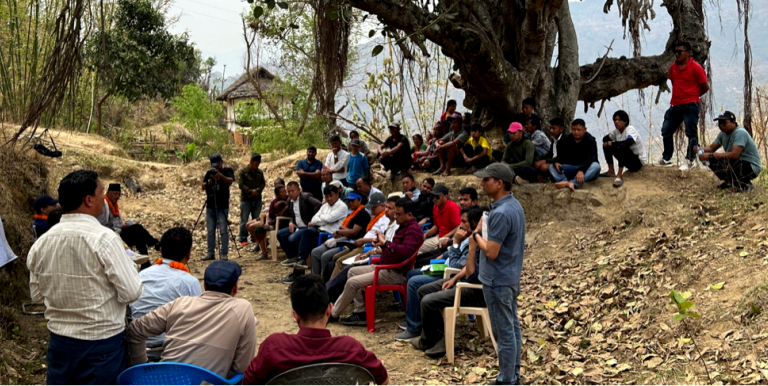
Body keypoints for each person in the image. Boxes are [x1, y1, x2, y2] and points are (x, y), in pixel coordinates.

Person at [27, 170, 143, 385]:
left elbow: (36, 295)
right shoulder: (104, 239)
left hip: (60, 343)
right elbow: (132, 291)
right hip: (101, 344)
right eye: (101, 192)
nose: (104, 199)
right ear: (88, 200)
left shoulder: (41, 243)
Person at [243, 275, 388, 385]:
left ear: (295, 316)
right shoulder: (351, 348)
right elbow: (383, 379)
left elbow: (248, 382)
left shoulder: (274, 347)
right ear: (329, 309)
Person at [126, 260, 257, 380]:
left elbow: (134, 330)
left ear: (204, 285)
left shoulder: (180, 303)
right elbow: (242, 368)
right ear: (235, 287)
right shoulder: (243, 309)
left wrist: (142, 368)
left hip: (164, 381)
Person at [330, 198, 423, 326]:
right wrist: (383, 245)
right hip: (384, 267)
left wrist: (386, 244)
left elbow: (405, 252)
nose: (395, 217)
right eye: (394, 213)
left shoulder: (412, 230)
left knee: (352, 282)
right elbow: (394, 249)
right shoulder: (404, 226)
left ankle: (333, 314)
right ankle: (360, 312)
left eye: (398, 214)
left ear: (409, 215)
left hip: (394, 272)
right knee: (351, 272)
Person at [473, 163, 525, 385]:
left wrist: (476, 236)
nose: (483, 183)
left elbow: (491, 252)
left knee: (503, 333)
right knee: (511, 327)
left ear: (499, 183)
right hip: (509, 276)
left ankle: (506, 380)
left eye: (487, 179)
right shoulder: (513, 205)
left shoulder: (502, 213)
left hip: (497, 280)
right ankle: (513, 375)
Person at [396, 206, 480, 343]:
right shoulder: (467, 237)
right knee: (412, 274)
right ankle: (416, 320)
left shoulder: (473, 241)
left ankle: (415, 328)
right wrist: (446, 252)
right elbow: (451, 254)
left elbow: (456, 266)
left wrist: (456, 243)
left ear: (474, 223)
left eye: (465, 222)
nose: (461, 225)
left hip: (451, 273)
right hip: (447, 270)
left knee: (414, 283)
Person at [129, 227, 202, 361]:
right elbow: (198, 321)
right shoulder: (189, 282)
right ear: (189, 254)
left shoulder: (141, 275)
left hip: (137, 349)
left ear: (161, 250)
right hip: (173, 352)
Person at [658, 41, 709, 171]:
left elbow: (705, 86)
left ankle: (690, 159)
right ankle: (666, 158)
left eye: (679, 52)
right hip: (675, 105)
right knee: (666, 130)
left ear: (688, 53)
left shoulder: (696, 68)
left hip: (690, 105)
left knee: (691, 133)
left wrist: (693, 96)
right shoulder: (673, 68)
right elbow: (674, 82)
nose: (676, 54)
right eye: (675, 52)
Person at [283, 185, 348, 284]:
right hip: (319, 230)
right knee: (305, 234)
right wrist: (323, 220)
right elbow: (314, 219)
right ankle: (301, 261)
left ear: (337, 195)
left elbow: (329, 219)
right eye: (327, 196)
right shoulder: (325, 206)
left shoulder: (342, 206)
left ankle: (309, 275)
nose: (329, 199)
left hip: (330, 234)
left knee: (307, 244)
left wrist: (321, 219)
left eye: (331, 196)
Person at [327, 193, 390, 280]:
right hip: (360, 244)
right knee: (335, 257)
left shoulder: (385, 219)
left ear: (382, 206)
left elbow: (382, 239)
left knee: (340, 262)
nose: (371, 210)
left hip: (368, 247)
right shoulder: (376, 217)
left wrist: (363, 240)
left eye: (373, 207)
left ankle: (330, 288)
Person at [309, 192, 370, 282]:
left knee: (325, 256)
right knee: (315, 252)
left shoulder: (363, 214)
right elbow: (344, 227)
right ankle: (314, 280)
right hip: (341, 238)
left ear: (359, 200)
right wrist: (341, 232)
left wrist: (340, 231)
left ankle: (326, 282)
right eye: (349, 201)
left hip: (351, 242)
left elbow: (354, 232)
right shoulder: (351, 213)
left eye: (353, 201)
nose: (350, 203)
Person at [696, 111, 762, 192]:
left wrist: (710, 155)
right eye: (719, 123)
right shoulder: (723, 134)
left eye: (724, 123)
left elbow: (734, 155)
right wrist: (700, 150)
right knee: (712, 160)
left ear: (733, 123)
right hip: (739, 163)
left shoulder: (740, 132)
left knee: (724, 160)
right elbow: (711, 148)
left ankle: (745, 184)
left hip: (751, 167)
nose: (721, 126)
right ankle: (730, 182)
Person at [99, 183, 160, 268]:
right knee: (137, 228)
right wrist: (118, 226)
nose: (117, 196)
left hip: (120, 231)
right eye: (115, 194)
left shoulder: (115, 206)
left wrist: (124, 225)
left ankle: (145, 264)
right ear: (108, 193)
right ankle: (154, 243)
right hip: (112, 235)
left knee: (139, 236)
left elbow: (118, 222)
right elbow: (101, 224)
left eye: (119, 194)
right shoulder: (103, 205)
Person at [277, 182, 322, 266]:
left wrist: (314, 220)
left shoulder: (306, 197)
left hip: (307, 227)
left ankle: (300, 257)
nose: (290, 193)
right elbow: (293, 215)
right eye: (289, 191)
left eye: (293, 191)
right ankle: (292, 257)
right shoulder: (289, 201)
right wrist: (291, 222)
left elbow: (318, 204)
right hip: (297, 226)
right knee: (280, 234)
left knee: (292, 238)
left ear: (299, 190)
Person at [550, 119, 600, 191]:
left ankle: (573, 183)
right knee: (552, 167)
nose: (576, 132)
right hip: (571, 167)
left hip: (585, 168)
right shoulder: (567, 140)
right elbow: (561, 156)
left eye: (579, 130)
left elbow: (591, 158)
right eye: (574, 130)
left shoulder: (590, 140)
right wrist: (556, 162)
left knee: (596, 166)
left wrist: (581, 170)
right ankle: (564, 181)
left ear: (584, 129)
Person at [201, 153, 235, 261]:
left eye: (218, 165)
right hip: (210, 205)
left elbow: (230, 181)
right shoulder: (209, 173)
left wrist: (220, 176)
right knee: (210, 231)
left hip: (222, 205)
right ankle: (210, 253)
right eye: (214, 166)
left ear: (222, 162)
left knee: (223, 230)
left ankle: (224, 253)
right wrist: (210, 182)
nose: (216, 168)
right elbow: (203, 186)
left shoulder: (227, 170)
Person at [601, 110, 646, 187]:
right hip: (627, 160)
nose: (616, 122)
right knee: (606, 145)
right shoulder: (616, 132)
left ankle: (619, 175)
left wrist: (613, 143)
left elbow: (629, 142)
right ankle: (611, 170)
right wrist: (608, 144)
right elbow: (605, 138)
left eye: (619, 120)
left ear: (625, 121)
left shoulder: (630, 129)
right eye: (615, 120)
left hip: (637, 162)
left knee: (622, 147)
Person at [246, 185, 289, 260]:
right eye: (282, 192)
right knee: (259, 230)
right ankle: (264, 252)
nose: (284, 193)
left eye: (284, 191)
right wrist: (267, 223)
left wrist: (284, 204)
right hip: (275, 223)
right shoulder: (274, 201)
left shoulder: (289, 199)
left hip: (286, 223)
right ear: (277, 194)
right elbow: (271, 216)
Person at [419, 184, 461, 254]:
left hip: (449, 238)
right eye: (433, 196)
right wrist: (426, 234)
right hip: (439, 237)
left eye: (437, 197)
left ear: (445, 196)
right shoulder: (435, 207)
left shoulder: (453, 207)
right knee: (417, 248)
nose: (434, 199)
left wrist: (445, 237)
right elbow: (436, 226)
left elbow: (458, 227)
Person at [238, 153, 266, 247]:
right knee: (244, 219)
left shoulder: (260, 172)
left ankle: (254, 237)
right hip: (246, 199)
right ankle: (242, 238)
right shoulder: (243, 171)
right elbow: (241, 185)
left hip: (257, 199)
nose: (257, 166)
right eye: (255, 164)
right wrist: (250, 192)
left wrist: (258, 191)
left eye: (258, 164)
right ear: (251, 162)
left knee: (256, 219)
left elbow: (263, 183)